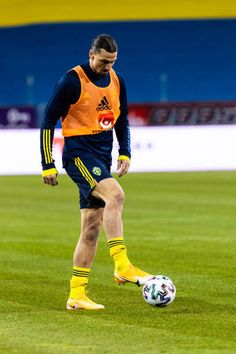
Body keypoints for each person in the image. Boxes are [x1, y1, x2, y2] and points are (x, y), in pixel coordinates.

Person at [40, 34, 153, 311]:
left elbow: (122, 118)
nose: (108, 67)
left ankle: (77, 295)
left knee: (91, 228)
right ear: (92, 55)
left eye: (112, 62)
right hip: (79, 154)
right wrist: (47, 162)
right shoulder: (71, 80)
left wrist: (125, 152)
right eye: (104, 61)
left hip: (101, 155)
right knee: (115, 196)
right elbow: (47, 120)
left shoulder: (117, 80)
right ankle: (122, 265)